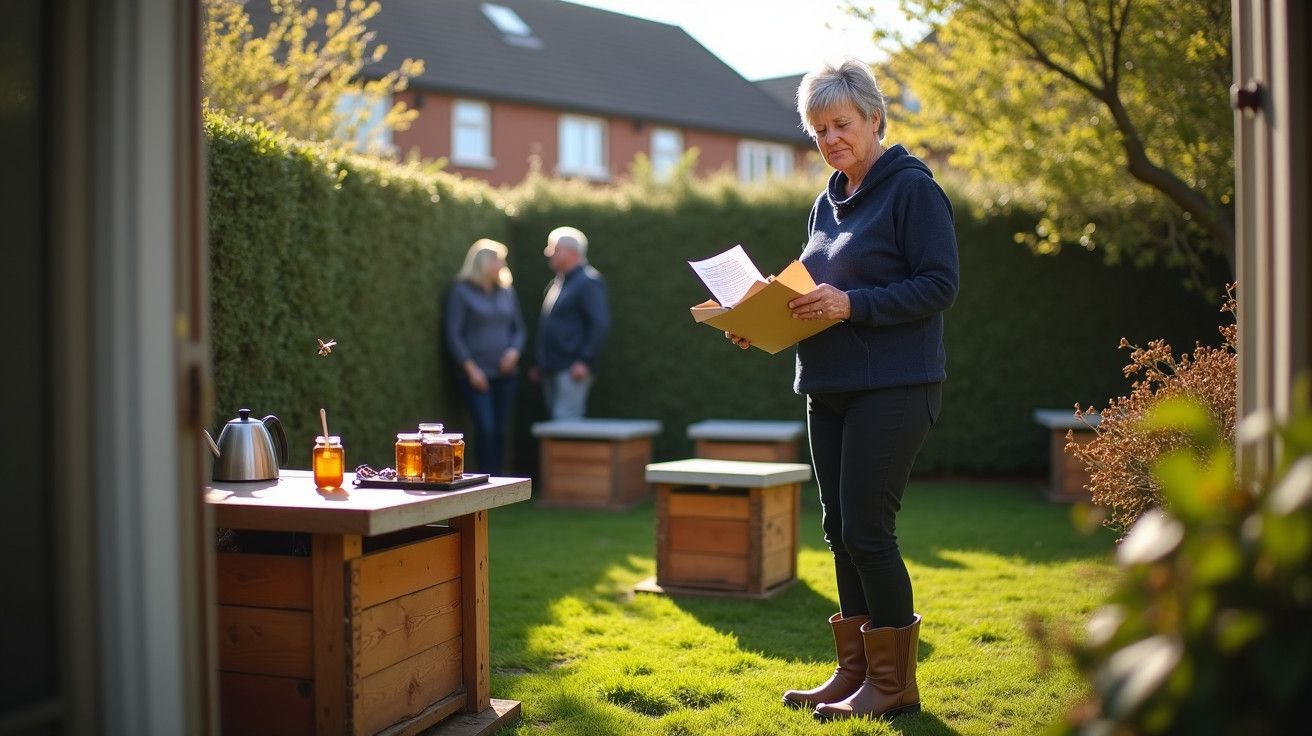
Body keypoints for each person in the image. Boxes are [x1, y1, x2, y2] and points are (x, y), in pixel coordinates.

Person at [729, 58, 959, 721]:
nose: (832, 139)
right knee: (836, 530)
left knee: (867, 530)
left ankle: (895, 685)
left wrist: (851, 306)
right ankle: (855, 672)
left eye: (842, 124)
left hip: (894, 385)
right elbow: (809, 298)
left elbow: (939, 285)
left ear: (873, 118)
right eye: (820, 129)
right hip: (825, 385)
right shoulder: (825, 202)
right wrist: (758, 322)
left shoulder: (914, 190)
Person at [445, 239, 525, 475]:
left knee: (500, 429)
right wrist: (471, 370)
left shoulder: (506, 291)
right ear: (482, 262)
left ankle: (500, 480)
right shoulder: (461, 291)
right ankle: (484, 479)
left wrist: (514, 352)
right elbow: (453, 334)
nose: (502, 264)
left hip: (505, 374)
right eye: (497, 259)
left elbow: (518, 329)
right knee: (486, 428)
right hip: (476, 376)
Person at [532, 226, 610, 419]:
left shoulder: (588, 282)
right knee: (557, 428)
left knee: (566, 426)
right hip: (553, 368)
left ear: (571, 252)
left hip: (571, 369)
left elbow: (600, 323)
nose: (548, 253)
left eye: (554, 249)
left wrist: (584, 360)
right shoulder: (558, 282)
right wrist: (541, 364)